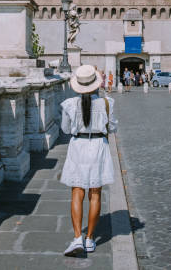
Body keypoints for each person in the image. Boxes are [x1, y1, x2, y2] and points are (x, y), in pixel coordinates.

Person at [60, 65, 117, 256]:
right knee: (95, 194)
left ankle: (77, 238)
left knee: (77, 192)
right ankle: (90, 238)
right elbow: (113, 128)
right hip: (99, 147)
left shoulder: (69, 104)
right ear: (95, 84)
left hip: (78, 147)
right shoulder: (107, 103)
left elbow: (66, 130)